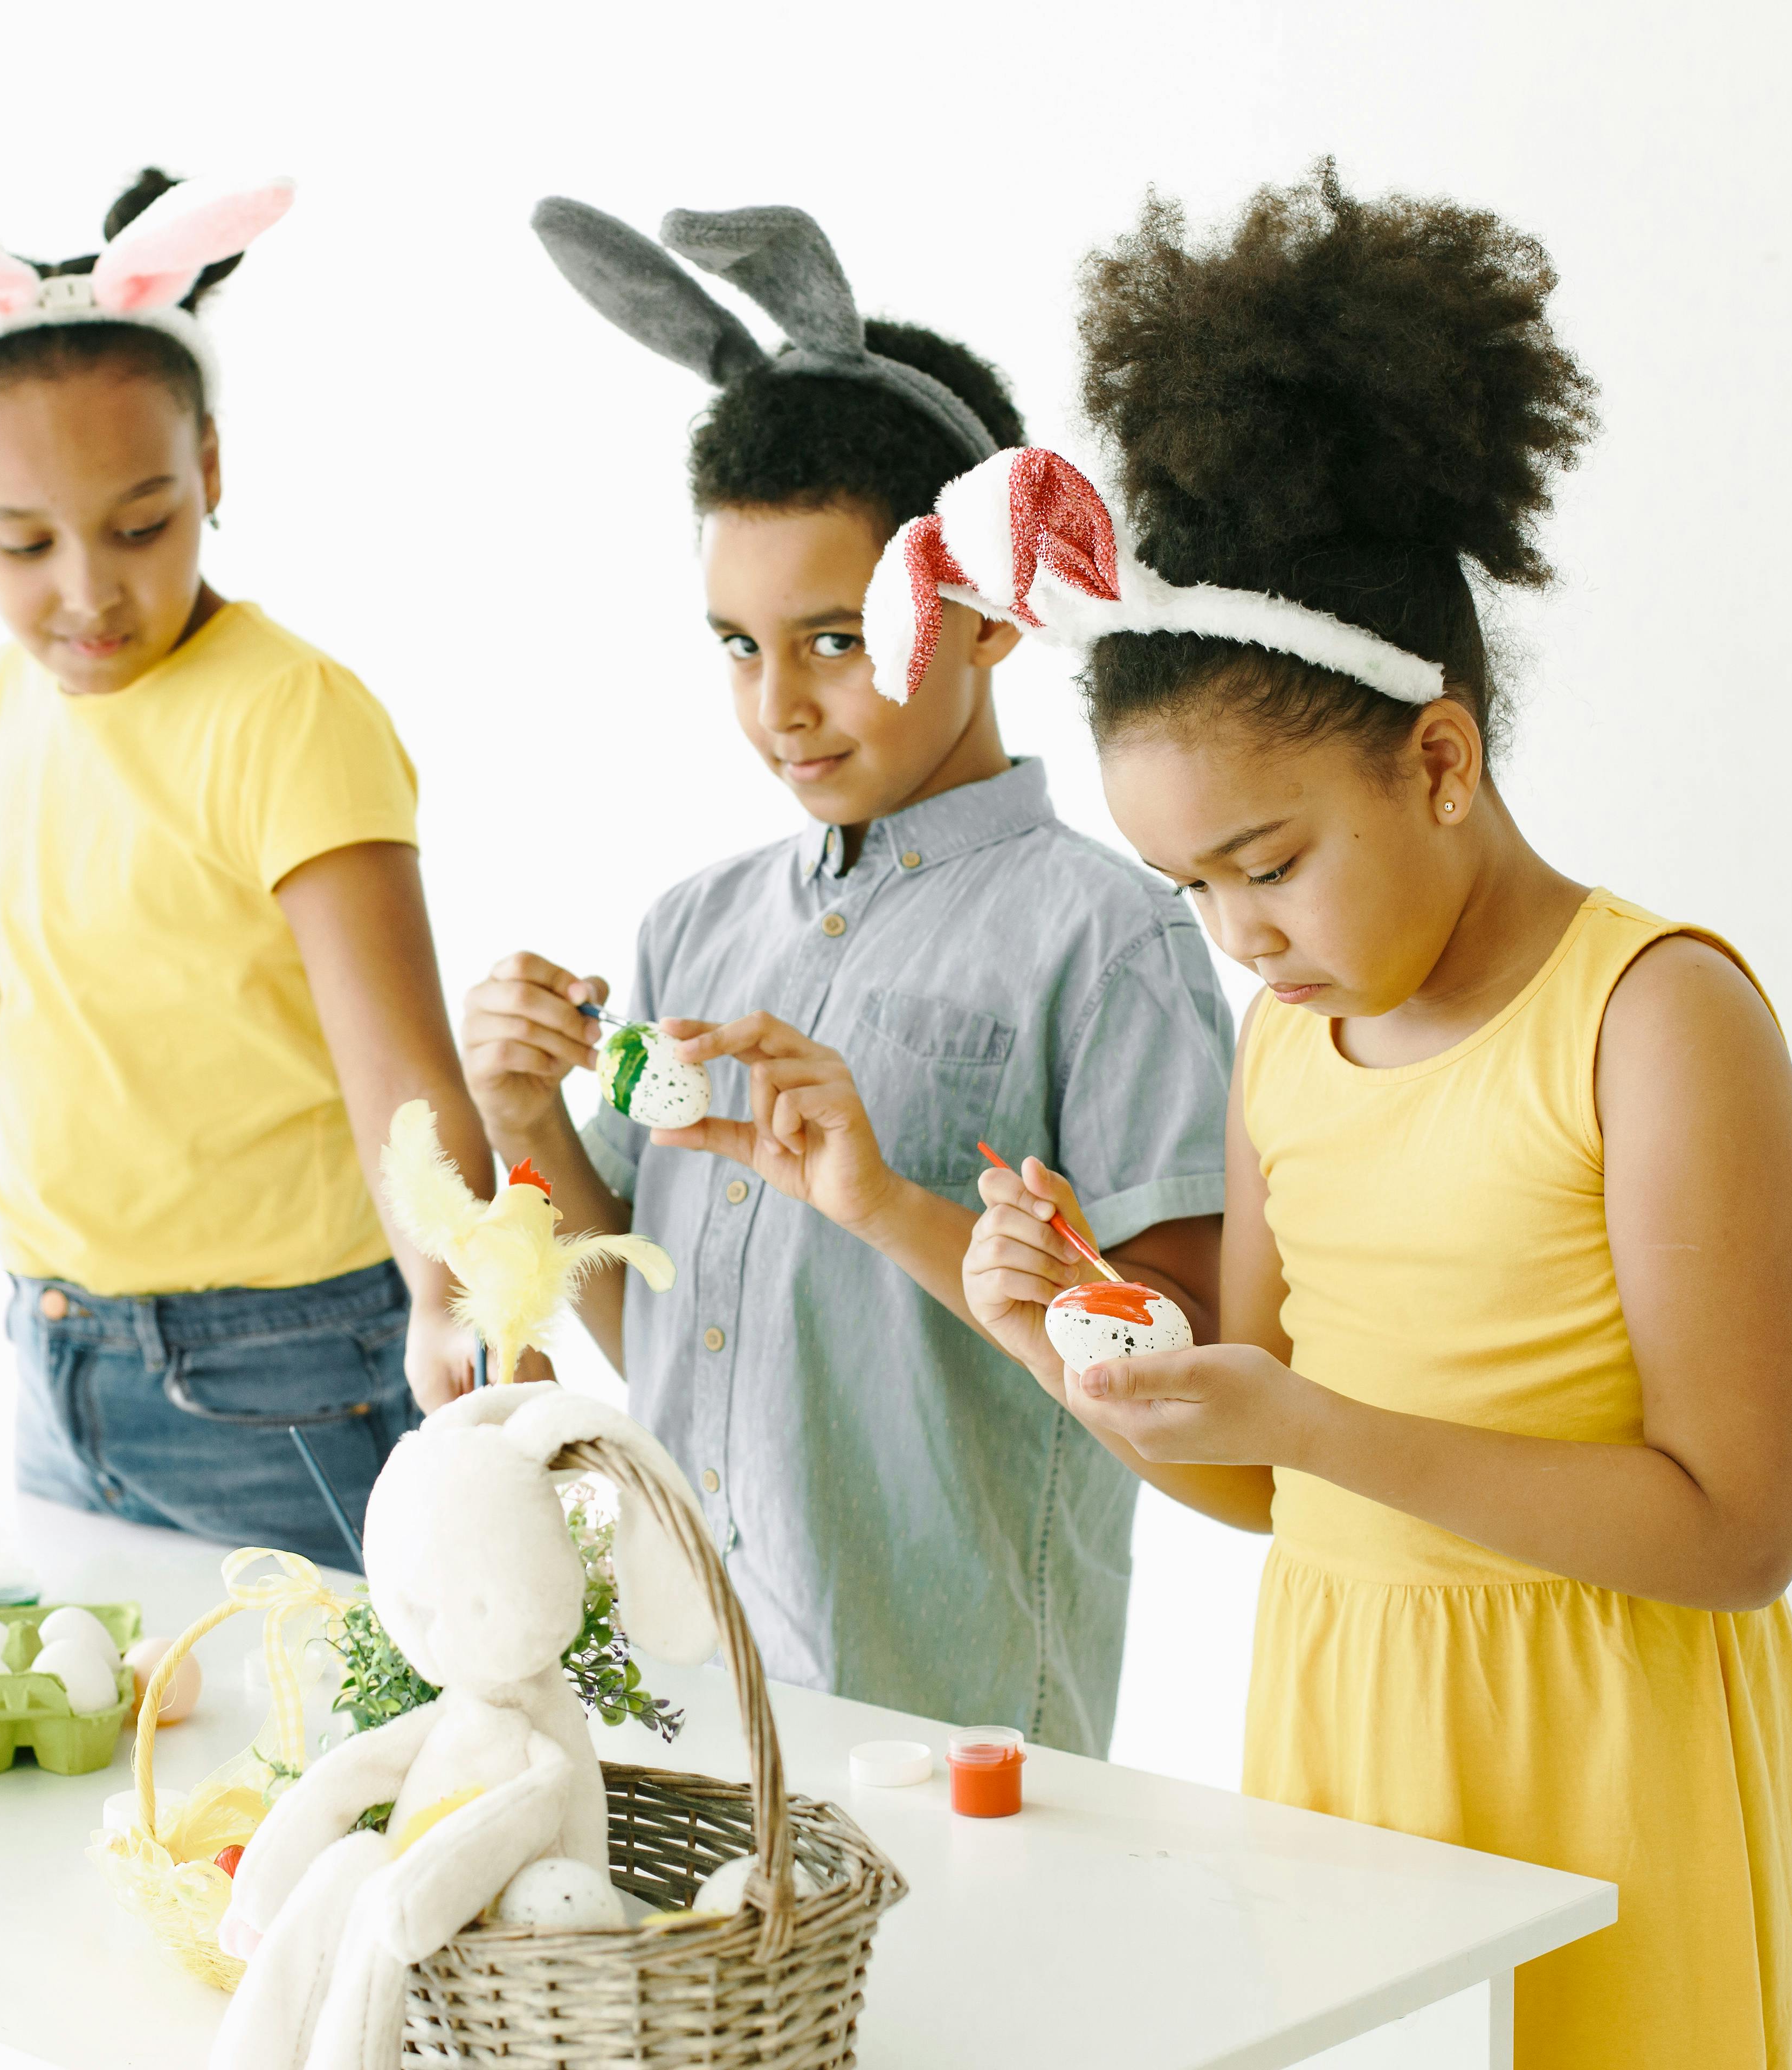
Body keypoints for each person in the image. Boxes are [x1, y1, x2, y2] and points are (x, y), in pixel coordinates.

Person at [954, 166, 1792, 2065]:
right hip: (1349, 1760)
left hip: (1611, 1762)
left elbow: (1736, 1529)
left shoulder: (1651, 1019)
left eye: (1266, 865)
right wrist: (1059, 1346)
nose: (1233, 937)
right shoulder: (1295, 1044)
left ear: (1438, 756)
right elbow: (1277, 1477)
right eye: (1187, 888)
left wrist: (1308, 1419)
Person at [459, 202, 1232, 1757]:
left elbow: (1194, 1378)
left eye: (832, 638)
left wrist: (886, 1201)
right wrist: (518, 1108)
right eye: (737, 646)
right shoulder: (696, 927)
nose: (779, 709)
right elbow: (655, 1321)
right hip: (689, 1703)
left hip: (951, 1729)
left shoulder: (1110, 941)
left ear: (997, 604)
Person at [0, 170, 506, 1572]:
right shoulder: (8, 702)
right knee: (125, 1776)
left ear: (211, 469)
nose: (86, 592)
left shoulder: (289, 715)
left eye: (141, 524)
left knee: (356, 1773)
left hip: (288, 1373)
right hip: (56, 1349)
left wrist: (455, 1292)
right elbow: (90, 1024)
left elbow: (403, 1072)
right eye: (23, 544)